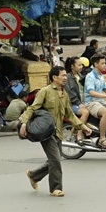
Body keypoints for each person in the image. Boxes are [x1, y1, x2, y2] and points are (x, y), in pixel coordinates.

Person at [20, 66, 91, 197]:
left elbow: (70, 115)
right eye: (63, 75)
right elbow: (32, 108)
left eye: (66, 76)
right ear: (54, 77)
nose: (65, 78)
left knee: (54, 160)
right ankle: (55, 188)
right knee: (56, 160)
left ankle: (34, 175)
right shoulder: (45, 91)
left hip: (58, 132)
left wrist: (83, 127)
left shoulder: (64, 94)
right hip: (46, 132)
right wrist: (24, 123)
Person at [64, 56, 91, 143]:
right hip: (72, 105)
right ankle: (79, 135)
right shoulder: (68, 78)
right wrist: (79, 103)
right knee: (85, 112)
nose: (81, 67)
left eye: (81, 65)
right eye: (79, 65)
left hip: (83, 102)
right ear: (72, 66)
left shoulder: (81, 76)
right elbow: (70, 94)